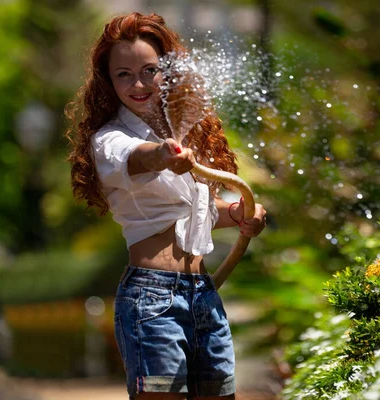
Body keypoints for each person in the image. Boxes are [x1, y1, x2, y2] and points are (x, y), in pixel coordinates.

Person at [64, 12, 267, 400]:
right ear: (108, 81)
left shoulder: (189, 131)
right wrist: (163, 154)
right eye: (123, 74)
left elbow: (196, 215)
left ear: (168, 72)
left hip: (204, 293)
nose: (138, 83)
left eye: (149, 70)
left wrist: (240, 215)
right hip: (151, 301)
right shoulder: (110, 140)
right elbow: (139, 157)